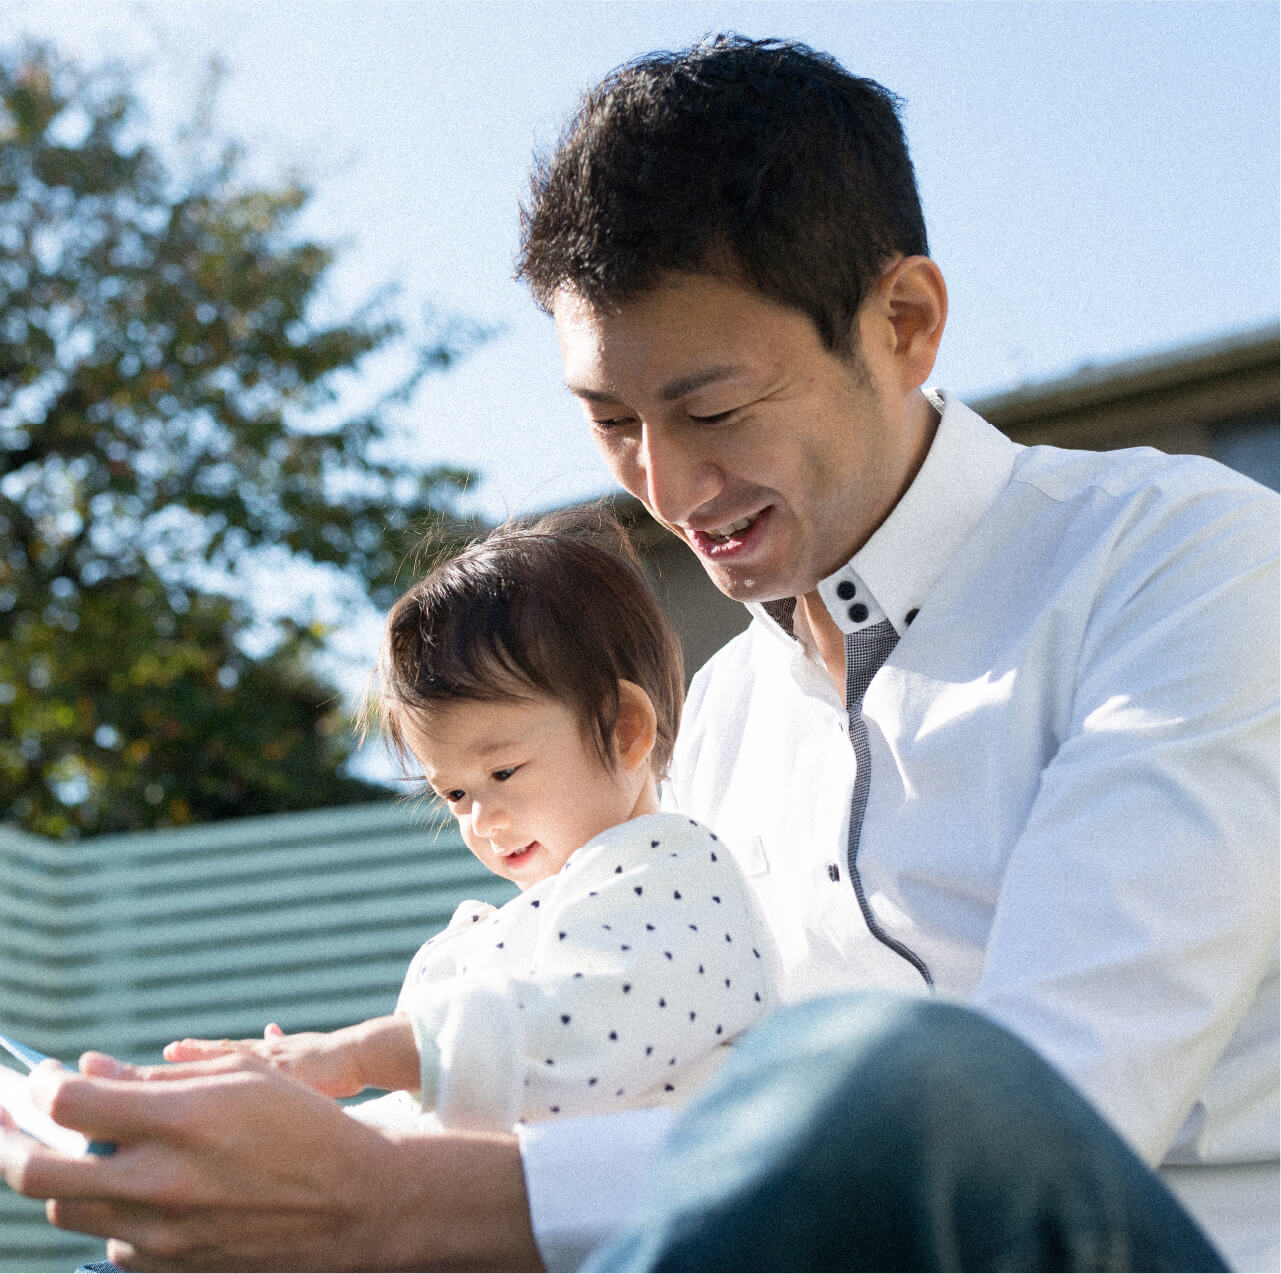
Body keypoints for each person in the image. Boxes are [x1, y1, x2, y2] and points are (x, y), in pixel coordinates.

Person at [0, 32, 1274, 1274]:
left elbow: (1042, 1109)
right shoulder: (714, 719)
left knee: (906, 1076)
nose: (668, 486)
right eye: (612, 421)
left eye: (713, 409)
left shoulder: (1186, 566)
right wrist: (281, 1165)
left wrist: (387, 1203)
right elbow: (641, 1103)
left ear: (905, 322)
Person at [158, 513, 778, 1135]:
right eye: (454, 792)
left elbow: (573, 1035)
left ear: (624, 731)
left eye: (503, 772)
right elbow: (427, 1120)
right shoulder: (507, 929)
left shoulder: (679, 874)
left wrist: (356, 1055)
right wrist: (291, 1109)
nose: (482, 818)